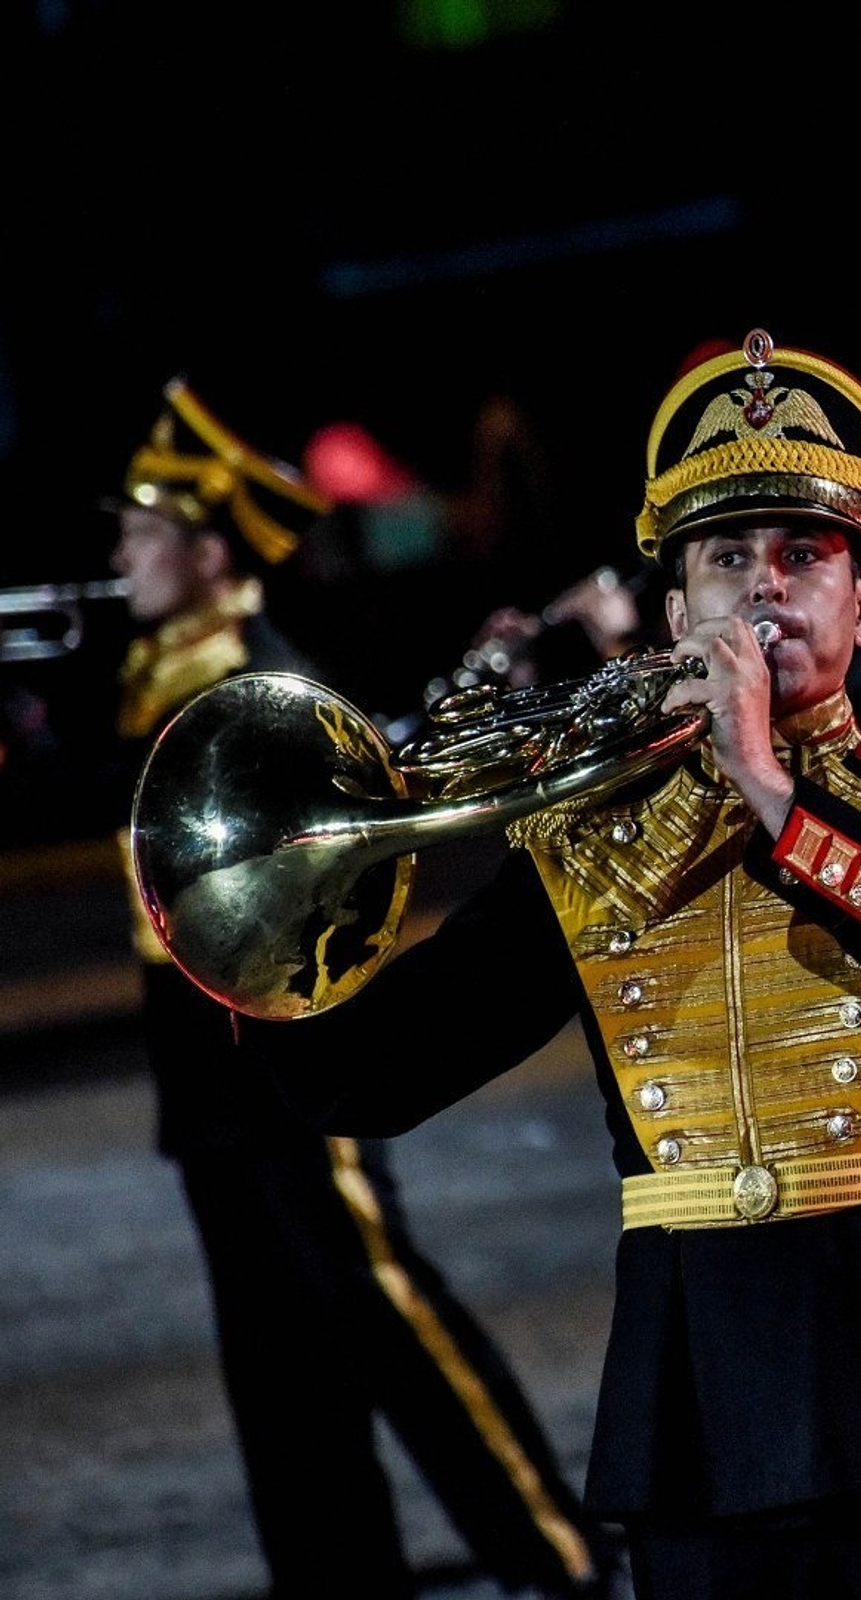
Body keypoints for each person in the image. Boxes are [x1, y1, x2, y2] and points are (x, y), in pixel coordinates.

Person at [220, 328, 861, 1597]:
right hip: (705, 1403)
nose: (764, 588)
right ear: (673, 613)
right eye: (725, 559)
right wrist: (250, 937)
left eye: (805, 555)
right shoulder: (589, 849)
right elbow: (369, 1078)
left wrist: (767, 785)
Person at [106, 377, 619, 1598]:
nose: (119, 558)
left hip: (271, 1016)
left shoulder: (249, 677)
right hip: (199, 1048)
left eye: (139, 535)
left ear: (205, 548)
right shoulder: (157, 669)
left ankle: (556, 1556)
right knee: (274, 1350)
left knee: (386, 1312)